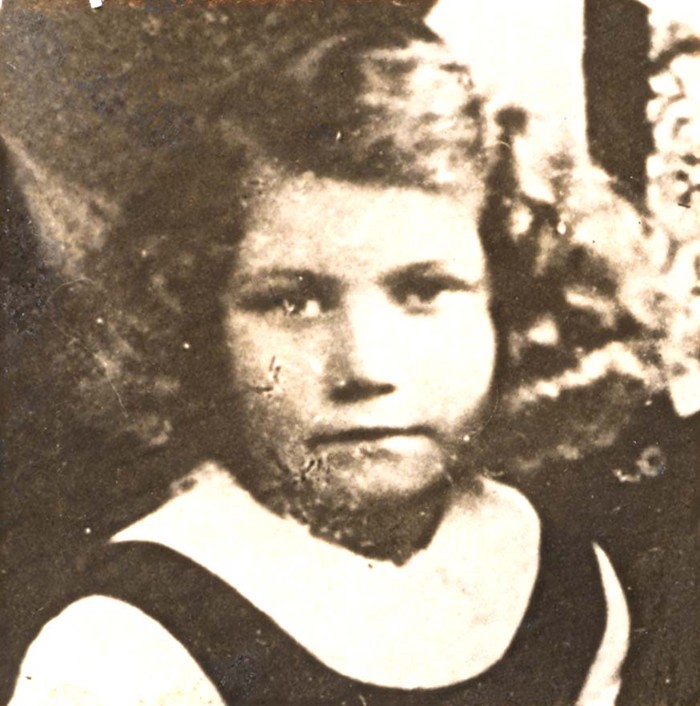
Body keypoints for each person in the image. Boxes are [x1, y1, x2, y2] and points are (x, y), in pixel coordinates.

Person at [4, 3, 658, 705]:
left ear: (513, 306)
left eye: (425, 291)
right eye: (293, 302)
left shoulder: (566, 583)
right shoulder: (127, 644)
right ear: (203, 324)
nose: (364, 366)